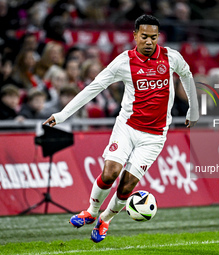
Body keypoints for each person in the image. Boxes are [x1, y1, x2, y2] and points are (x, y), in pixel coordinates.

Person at [43, 14, 199, 243]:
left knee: (127, 185)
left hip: (154, 136)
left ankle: (105, 219)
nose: (149, 41)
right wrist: (62, 114)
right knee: (110, 172)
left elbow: (187, 75)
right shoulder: (123, 62)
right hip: (127, 127)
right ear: (135, 35)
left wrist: (193, 110)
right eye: (144, 36)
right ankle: (91, 211)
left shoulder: (171, 58)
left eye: (153, 37)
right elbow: (94, 87)